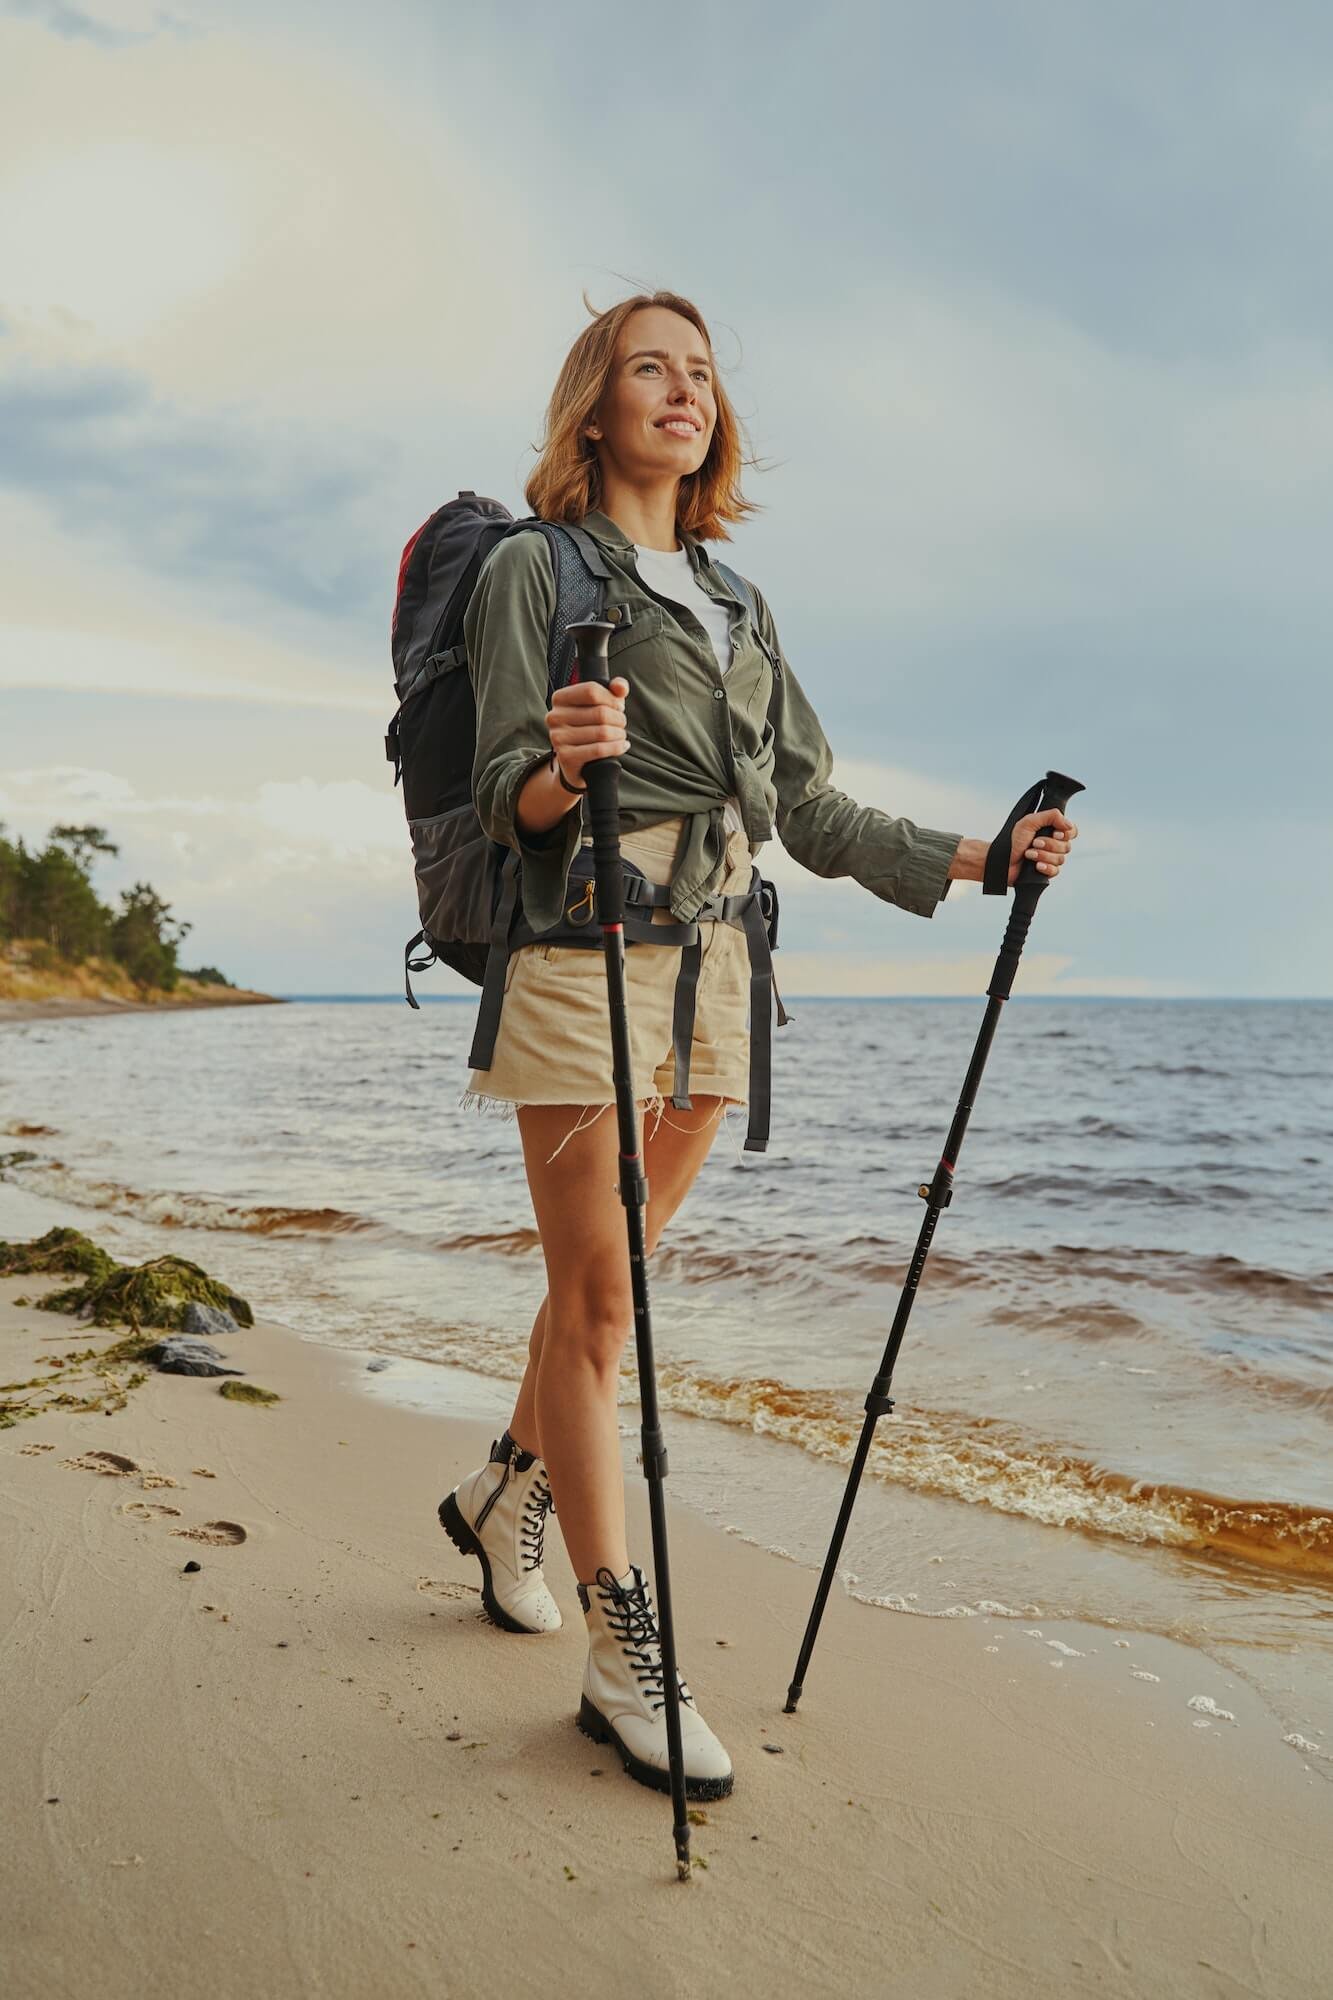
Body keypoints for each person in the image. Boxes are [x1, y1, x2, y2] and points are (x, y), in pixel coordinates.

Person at [439, 290, 1078, 1801]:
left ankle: (501, 1492)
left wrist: (982, 857)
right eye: (649, 369)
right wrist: (558, 771)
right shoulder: (535, 569)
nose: (682, 390)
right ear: (592, 407)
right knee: (604, 1312)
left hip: (720, 971)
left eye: (703, 373)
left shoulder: (737, 601)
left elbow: (807, 805)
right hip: (585, 951)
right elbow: (498, 792)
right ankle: (622, 1653)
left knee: (599, 1287)